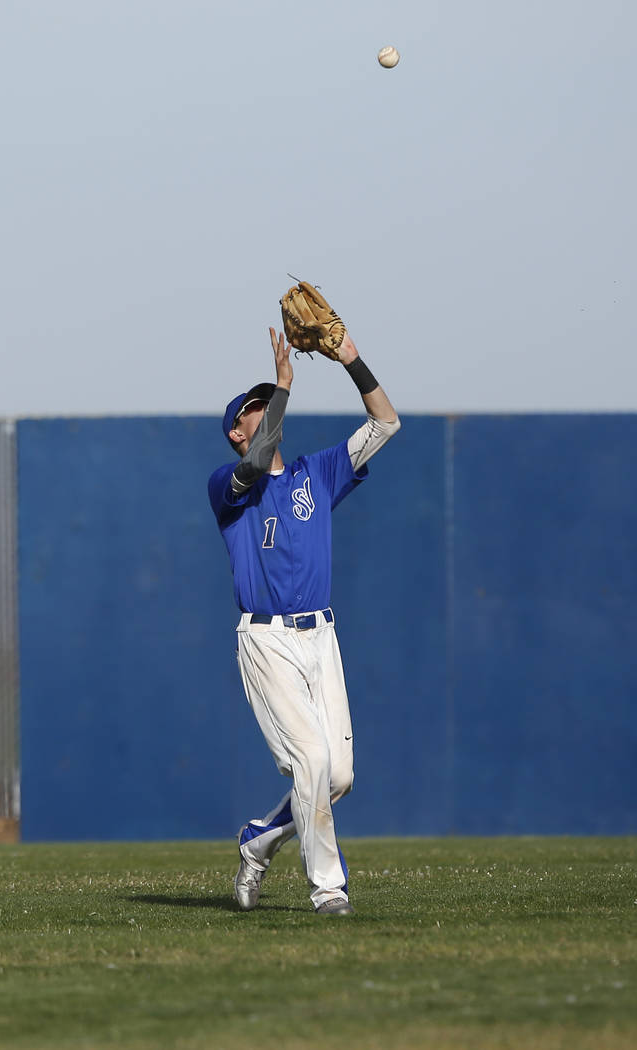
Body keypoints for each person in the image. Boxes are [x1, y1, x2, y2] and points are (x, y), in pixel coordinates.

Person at [208, 322, 400, 915]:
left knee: (336, 777)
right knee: (311, 763)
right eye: (254, 411)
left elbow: (385, 424)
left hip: (322, 636)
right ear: (238, 433)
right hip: (266, 642)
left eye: (269, 404)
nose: (265, 414)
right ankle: (328, 889)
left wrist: (352, 359)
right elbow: (258, 459)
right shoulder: (227, 486)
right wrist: (285, 389)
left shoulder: (315, 474)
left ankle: (260, 838)